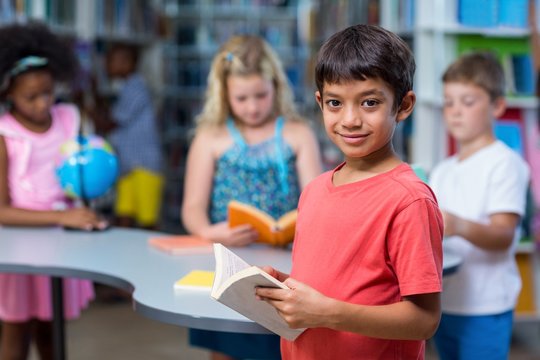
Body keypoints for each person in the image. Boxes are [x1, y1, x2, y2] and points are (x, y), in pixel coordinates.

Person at [255, 24, 444, 360]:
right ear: (320, 103)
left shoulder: (409, 200)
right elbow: (336, 284)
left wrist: (326, 311)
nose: (350, 119)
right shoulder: (313, 191)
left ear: (403, 105)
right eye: (335, 103)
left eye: (369, 102)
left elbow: (424, 320)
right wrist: (289, 291)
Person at [181, 35, 322, 359]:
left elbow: (317, 203)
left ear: (276, 86)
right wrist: (207, 231)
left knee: (281, 342)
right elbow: (192, 208)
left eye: (261, 95)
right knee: (226, 345)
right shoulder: (209, 138)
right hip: (230, 259)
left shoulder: (297, 133)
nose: (253, 106)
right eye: (241, 98)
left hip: (287, 260)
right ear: (224, 94)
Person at [0, 22, 104, 360]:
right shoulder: (5, 135)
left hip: (61, 245)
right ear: (7, 93)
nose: (43, 103)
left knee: (51, 326)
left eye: (48, 92)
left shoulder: (68, 118)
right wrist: (63, 215)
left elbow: (82, 169)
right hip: (18, 251)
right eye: (31, 96)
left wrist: (86, 205)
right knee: (16, 328)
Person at [429, 52, 530, 359]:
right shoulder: (442, 170)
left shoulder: (505, 164)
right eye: (449, 102)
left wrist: (457, 225)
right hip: (445, 303)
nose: (455, 112)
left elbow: (503, 236)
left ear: (497, 106)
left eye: (468, 102)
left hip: (486, 306)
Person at [88, 43, 163, 230]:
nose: (106, 66)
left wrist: (86, 107)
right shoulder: (127, 88)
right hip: (128, 165)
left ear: (126, 63)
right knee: (124, 215)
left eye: (109, 61)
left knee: (147, 221)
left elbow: (110, 122)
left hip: (145, 166)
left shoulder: (136, 88)